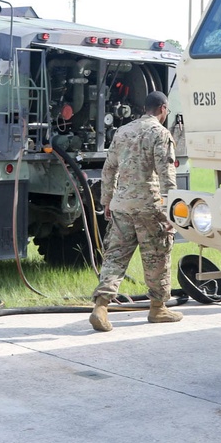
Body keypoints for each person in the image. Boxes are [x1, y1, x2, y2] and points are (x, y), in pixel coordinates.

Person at [89, 90, 181, 332]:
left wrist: (107, 200)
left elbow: (109, 169)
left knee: (115, 257)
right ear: (163, 108)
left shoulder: (123, 131)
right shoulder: (160, 134)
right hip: (148, 207)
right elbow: (166, 174)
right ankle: (158, 309)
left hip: (122, 205)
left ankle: (100, 307)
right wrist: (171, 209)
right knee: (157, 256)